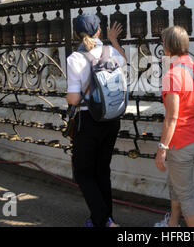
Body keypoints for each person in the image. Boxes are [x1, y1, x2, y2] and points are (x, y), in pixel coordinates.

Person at [66, 13, 126, 227]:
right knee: (102, 170)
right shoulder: (111, 52)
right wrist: (114, 40)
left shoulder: (75, 58)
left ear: (76, 34)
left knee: (83, 173)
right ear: (99, 31)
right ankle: (103, 218)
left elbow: (73, 98)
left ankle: (103, 221)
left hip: (88, 120)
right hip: (111, 119)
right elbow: (124, 61)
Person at [154, 26, 194, 227]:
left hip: (182, 141)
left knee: (185, 195)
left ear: (167, 47)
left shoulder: (172, 75)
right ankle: (173, 224)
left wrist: (162, 149)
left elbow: (171, 118)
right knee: (176, 184)